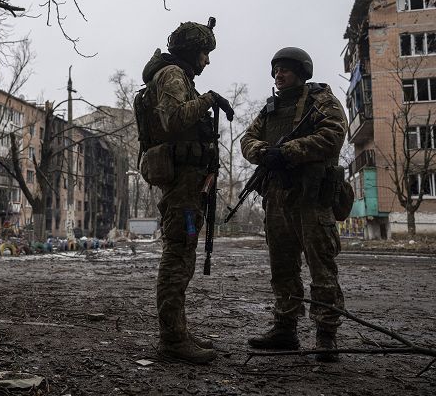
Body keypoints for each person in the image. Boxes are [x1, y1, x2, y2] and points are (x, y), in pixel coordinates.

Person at [240, 47, 347, 362]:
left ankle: (326, 337)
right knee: (283, 269)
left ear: (301, 72)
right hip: (278, 199)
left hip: (312, 200)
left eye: (284, 70)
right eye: (275, 71)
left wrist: (287, 151)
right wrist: (263, 152)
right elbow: (247, 139)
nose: (278, 75)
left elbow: (332, 136)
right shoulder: (271, 108)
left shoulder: (322, 102)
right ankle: (285, 329)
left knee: (322, 270)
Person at [136, 19, 233, 364]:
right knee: (178, 255)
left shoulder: (177, 75)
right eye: (205, 52)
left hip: (189, 185)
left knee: (183, 253)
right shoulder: (174, 75)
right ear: (193, 51)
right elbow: (174, 120)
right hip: (181, 185)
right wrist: (208, 99)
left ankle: (177, 331)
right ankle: (173, 339)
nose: (207, 61)